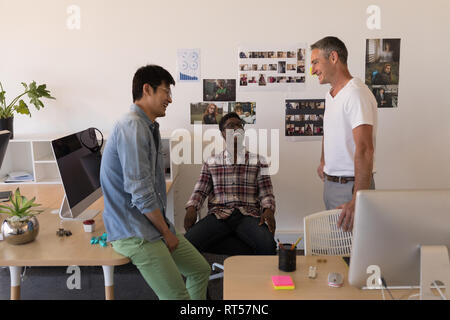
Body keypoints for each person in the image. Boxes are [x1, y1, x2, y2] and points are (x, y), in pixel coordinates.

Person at [100, 64, 210, 300]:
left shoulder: (147, 126)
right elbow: (140, 192)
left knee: (200, 270)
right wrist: (166, 232)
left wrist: (165, 229)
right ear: (147, 89)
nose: (170, 99)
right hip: (135, 232)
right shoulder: (132, 126)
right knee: (177, 297)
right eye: (166, 92)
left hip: (151, 225)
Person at [183, 112, 277, 255]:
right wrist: (192, 208)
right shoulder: (211, 161)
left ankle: (247, 264)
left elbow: (266, 192)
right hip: (219, 214)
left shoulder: (259, 161)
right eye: (231, 126)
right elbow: (200, 190)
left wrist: (268, 210)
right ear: (222, 133)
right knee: (189, 242)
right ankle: (242, 256)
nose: (236, 128)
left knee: (268, 244)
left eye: (239, 125)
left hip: (248, 214)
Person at [310, 36, 377, 232]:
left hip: (351, 188)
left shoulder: (356, 94)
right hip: (332, 185)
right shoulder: (331, 95)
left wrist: (358, 199)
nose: (312, 70)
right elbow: (329, 131)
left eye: (315, 62)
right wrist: (324, 161)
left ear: (333, 57)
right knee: (337, 252)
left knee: (351, 255)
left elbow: (365, 150)